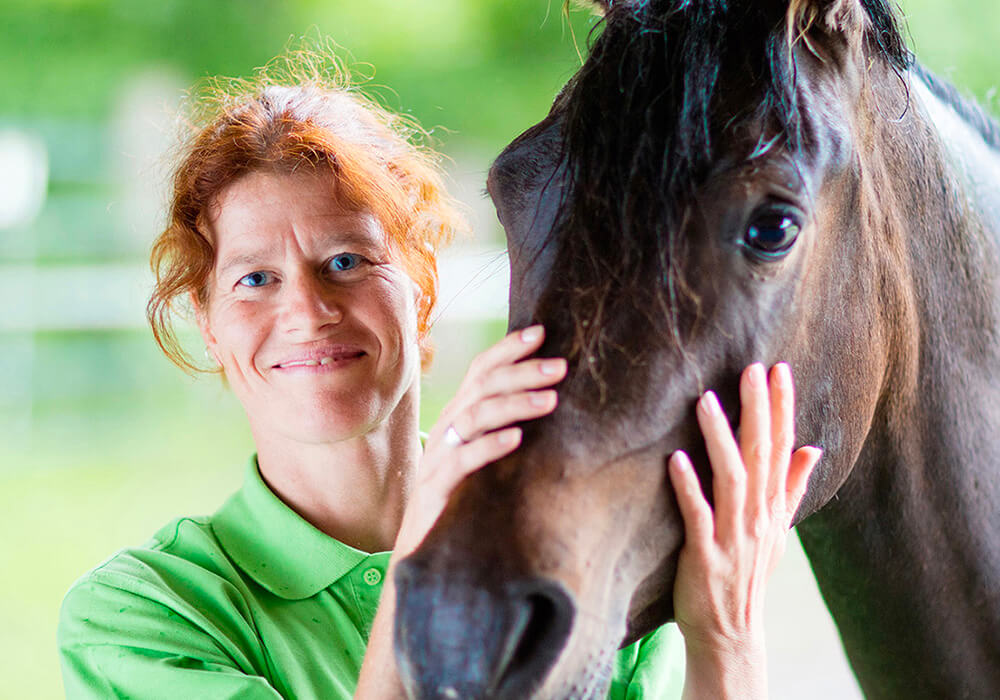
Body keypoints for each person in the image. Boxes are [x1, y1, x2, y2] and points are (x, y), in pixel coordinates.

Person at [58, 57, 821, 700]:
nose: (308, 313)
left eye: (346, 262)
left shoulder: (570, 554)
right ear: (208, 323)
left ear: (421, 288)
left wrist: (725, 636)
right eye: (255, 279)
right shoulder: (139, 616)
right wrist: (422, 552)